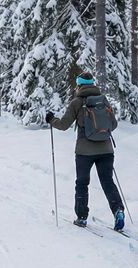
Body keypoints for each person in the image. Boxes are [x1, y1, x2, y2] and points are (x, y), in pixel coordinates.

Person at [44, 72, 125, 230]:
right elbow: (113, 124)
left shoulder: (77, 102)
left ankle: (81, 217)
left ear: (79, 85)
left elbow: (63, 125)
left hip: (84, 151)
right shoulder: (103, 100)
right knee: (108, 182)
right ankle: (118, 210)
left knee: (82, 183)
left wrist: (51, 120)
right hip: (106, 149)